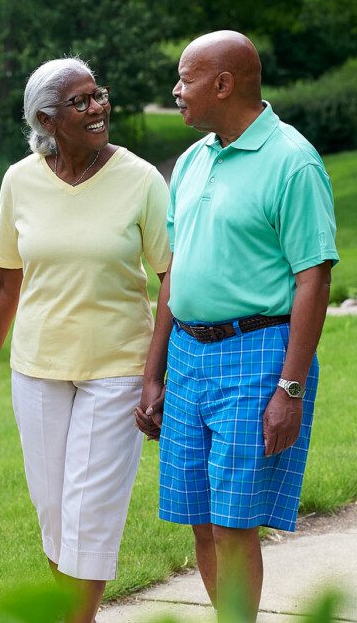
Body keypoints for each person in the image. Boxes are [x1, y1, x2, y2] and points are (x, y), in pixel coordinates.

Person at [135, 30, 338, 617]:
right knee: (199, 521)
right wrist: (154, 373)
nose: (176, 91)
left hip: (257, 356)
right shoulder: (194, 161)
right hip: (189, 358)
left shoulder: (293, 162)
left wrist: (290, 388)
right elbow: (176, 274)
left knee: (233, 526)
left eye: (185, 78)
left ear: (223, 84)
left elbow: (314, 280)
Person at [0, 57, 171, 623]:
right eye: (79, 101)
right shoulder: (19, 180)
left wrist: (155, 375)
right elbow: (5, 281)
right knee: (54, 513)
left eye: (98, 94)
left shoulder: (142, 179)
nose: (98, 107)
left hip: (118, 368)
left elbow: (171, 276)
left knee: (90, 515)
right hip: (37, 369)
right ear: (46, 120)